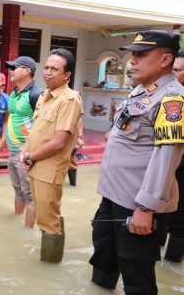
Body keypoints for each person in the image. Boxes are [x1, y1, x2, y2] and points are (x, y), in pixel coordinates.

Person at [88, 30, 183, 294]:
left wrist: (146, 207)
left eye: (141, 55)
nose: (132, 61)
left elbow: (167, 156)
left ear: (165, 60)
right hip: (112, 195)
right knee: (103, 256)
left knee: (136, 272)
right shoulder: (141, 91)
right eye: (133, 55)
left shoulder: (172, 99)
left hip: (136, 202)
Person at [21, 48, 82, 263]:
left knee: (48, 221)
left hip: (49, 168)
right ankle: (48, 258)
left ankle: (50, 265)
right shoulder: (44, 96)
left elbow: (59, 142)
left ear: (67, 75)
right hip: (35, 164)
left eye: (54, 69)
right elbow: (36, 129)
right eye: (46, 67)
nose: (47, 72)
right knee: (46, 216)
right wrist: (25, 152)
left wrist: (31, 157)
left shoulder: (69, 100)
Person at [4, 56, 41, 228]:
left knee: (30, 195)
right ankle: (16, 223)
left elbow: (41, 126)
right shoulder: (14, 92)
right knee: (18, 191)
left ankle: (27, 232)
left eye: (14, 67)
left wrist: (30, 154)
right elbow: (12, 117)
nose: (10, 70)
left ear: (26, 71)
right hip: (12, 152)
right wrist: (2, 140)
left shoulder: (36, 95)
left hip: (25, 154)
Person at [164, 48, 184, 262]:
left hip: (182, 171)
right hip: (166, 168)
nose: (172, 75)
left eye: (176, 71)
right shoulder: (165, 96)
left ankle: (171, 265)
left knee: (179, 223)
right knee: (158, 215)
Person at [67, 111, 85, 186]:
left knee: (68, 158)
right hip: (54, 134)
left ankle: (72, 183)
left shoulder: (75, 99)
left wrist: (80, 137)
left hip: (68, 135)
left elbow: (78, 118)